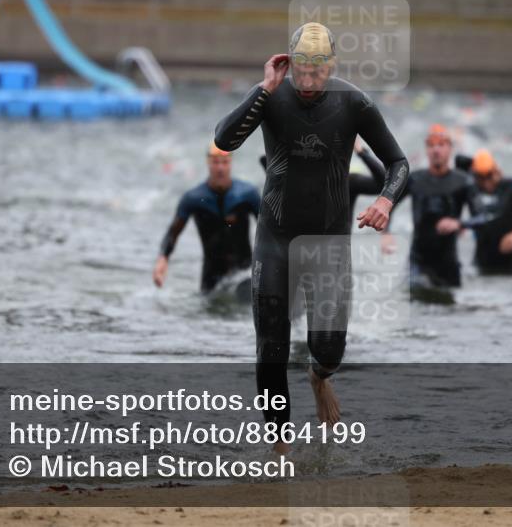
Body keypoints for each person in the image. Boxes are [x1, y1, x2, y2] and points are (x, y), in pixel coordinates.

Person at [214, 22, 408, 452]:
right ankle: (279, 449)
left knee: (330, 349)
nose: (307, 81)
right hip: (275, 238)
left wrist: (384, 203)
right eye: (300, 70)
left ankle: (319, 377)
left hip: (329, 243)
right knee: (270, 346)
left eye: (317, 73)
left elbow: (398, 164)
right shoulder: (272, 94)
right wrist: (264, 89)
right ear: (289, 62)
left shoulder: (354, 102)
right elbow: (224, 140)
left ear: (331, 67)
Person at [153, 142, 261, 293]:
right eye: (215, 162)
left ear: (230, 163)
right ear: (208, 163)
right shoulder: (193, 198)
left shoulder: (247, 194)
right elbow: (173, 232)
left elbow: (268, 229)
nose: (220, 168)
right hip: (211, 276)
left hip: (244, 273)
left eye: (224, 162)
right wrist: (163, 258)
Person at [387, 124, 475, 289]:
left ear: (450, 149)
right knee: (416, 300)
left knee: (448, 309)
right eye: (431, 146)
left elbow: (483, 216)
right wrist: (386, 233)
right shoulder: (414, 179)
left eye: (441, 145)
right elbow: (388, 203)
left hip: (448, 262)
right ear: (426, 151)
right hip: (418, 261)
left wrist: (459, 224)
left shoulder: (463, 181)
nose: (436, 150)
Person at [260, 138, 385, 221]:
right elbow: (265, 160)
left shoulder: (346, 182)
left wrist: (361, 151)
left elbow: (382, 182)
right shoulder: (295, 179)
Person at [459, 149, 512, 276]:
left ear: (496, 171)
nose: (486, 182)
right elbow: (457, 163)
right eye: (480, 177)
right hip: (480, 262)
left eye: (489, 175)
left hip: (507, 264)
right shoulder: (471, 189)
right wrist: (460, 224)